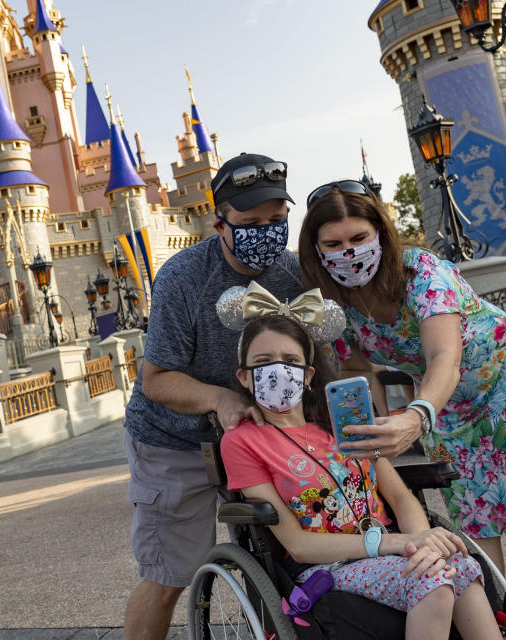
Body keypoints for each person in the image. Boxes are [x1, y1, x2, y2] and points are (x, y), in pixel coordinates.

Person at [297, 180, 506, 593]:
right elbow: (355, 369)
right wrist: (365, 429)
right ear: (316, 249)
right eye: (334, 242)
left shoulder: (421, 272)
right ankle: (499, 619)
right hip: (444, 403)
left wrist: (416, 417)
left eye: (359, 237)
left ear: (380, 232)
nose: (348, 251)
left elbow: (444, 358)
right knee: (474, 512)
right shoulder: (333, 303)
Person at [221, 309, 505, 640]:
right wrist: (399, 543)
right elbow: (296, 545)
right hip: (326, 563)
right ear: (244, 376)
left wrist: (424, 545)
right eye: (264, 360)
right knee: (434, 583)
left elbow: (400, 497)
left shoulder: (342, 424)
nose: (278, 369)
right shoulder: (241, 441)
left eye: (289, 359)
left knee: (461, 567)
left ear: (308, 374)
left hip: (389, 548)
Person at [122, 153, 303, 638]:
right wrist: (221, 399)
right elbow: (157, 380)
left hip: (260, 436)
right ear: (219, 223)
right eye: (250, 222)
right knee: (168, 578)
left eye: (276, 220)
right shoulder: (184, 278)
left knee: (291, 557)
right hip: (174, 440)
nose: (265, 231)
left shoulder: (293, 273)